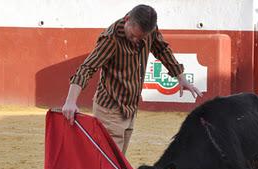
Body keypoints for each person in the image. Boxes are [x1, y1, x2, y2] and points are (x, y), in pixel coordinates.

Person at [62, 4, 202, 154]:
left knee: (117, 162)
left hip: (130, 108)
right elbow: (87, 68)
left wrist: (181, 78)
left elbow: (162, 49)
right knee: (110, 164)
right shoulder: (111, 38)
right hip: (110, 110)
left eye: (140, 37)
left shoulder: (150, 30)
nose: (136, 40)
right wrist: (70, 101)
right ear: (127, 20)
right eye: (133, 35)